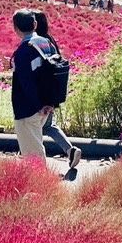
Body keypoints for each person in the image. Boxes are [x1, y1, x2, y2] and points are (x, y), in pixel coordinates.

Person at [9, 8, 81, 172]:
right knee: (35, 149)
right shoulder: (46, 43)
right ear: (35, 24)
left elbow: (27, 84)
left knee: (32, 155)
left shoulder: (23, 51)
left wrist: (38, 105)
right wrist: (49, 103)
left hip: (29, 109)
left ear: (15, 28)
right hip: (45, 106)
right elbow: (54, 72)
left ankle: (39, 187)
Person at [30, 11, 82, 171]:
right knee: (47, 125)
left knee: (35, 126)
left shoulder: (37, 43)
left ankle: (35, 161)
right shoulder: (50, 41)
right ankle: (70, 150)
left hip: (41, 93)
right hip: (52, 92)